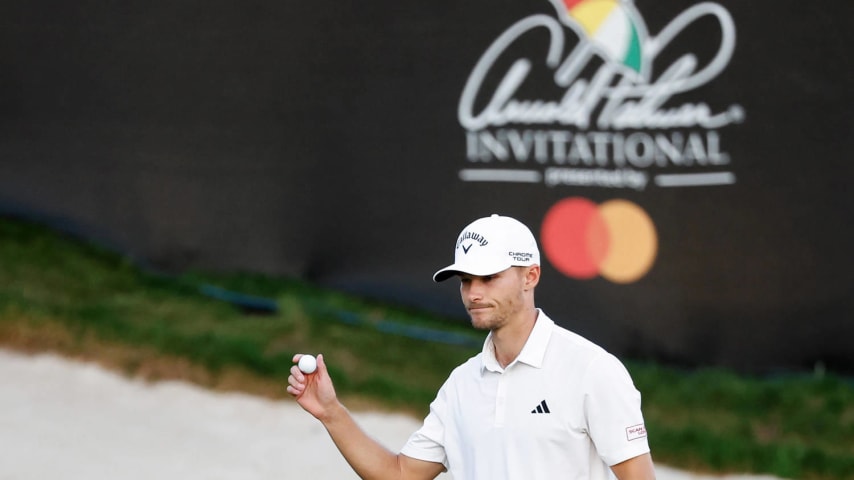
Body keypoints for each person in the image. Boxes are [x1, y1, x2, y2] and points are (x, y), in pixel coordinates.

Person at [287, 214, 656, 480]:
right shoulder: (461, 384)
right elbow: (400, 475)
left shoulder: (592, 370)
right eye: (466, 280)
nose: (473, 293)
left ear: (531, 275)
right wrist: (332, 412)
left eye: (489, 278)